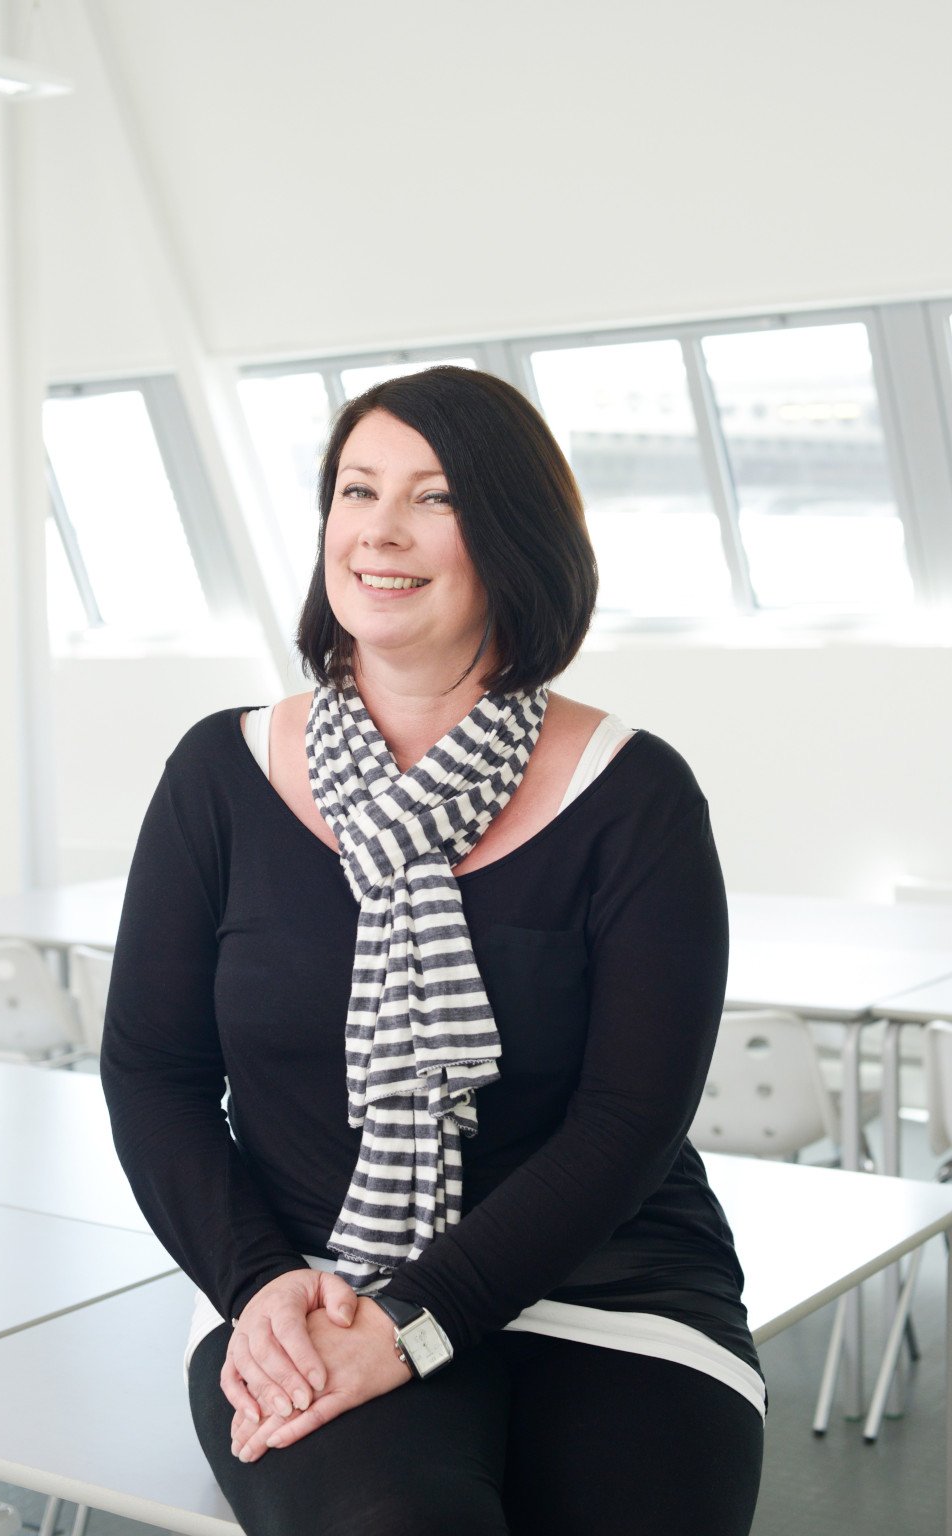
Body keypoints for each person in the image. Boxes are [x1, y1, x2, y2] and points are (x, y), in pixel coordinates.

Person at [101, 366, 764, 1536]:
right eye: (357, 490)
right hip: (311, 1285)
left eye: (435, 498)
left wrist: (426, 1318)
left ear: (514, 536)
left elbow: (628, 1121)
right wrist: (256, 1285)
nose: (380, 531)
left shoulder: (636, 796)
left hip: (607, 1289)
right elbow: (151, 1074)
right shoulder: (218, 776)